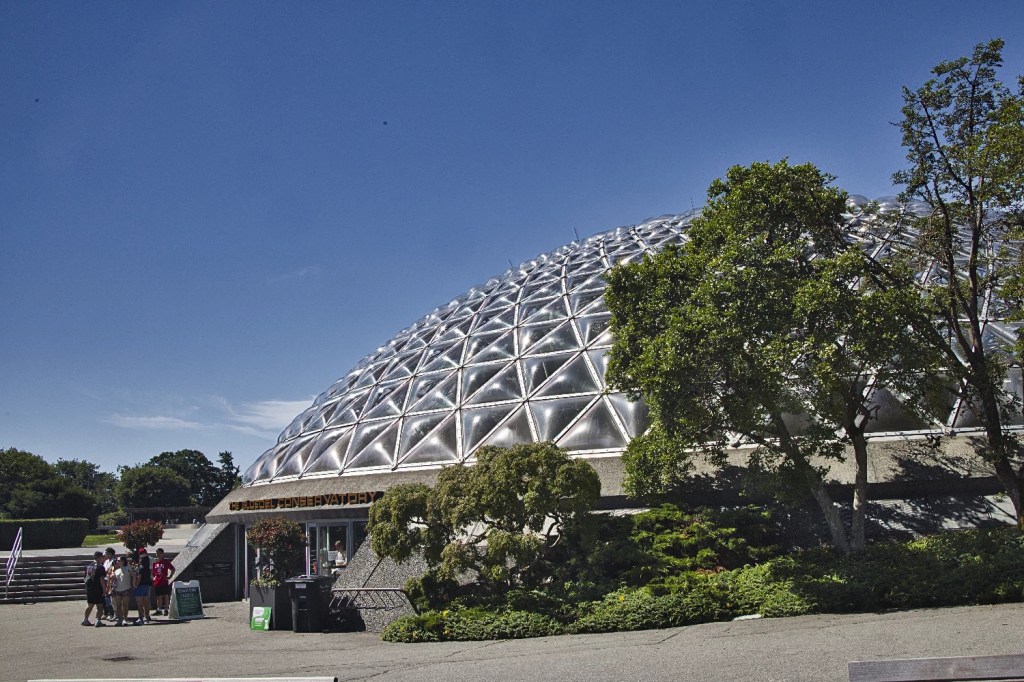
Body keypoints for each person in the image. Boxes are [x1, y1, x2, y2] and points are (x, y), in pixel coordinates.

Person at [82, 551, 107, 627]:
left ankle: (85, 619)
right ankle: (98, 621)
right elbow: (101, 579)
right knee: (100, 606)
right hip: (98, 588)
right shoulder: (100, 567)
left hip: (90, 589)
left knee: (90, 605)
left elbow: (85, 578)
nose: (103, 559)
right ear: (99, 558)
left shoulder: (89, 566)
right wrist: (104, 590)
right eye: (102, 557)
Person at [110, 555, 136, 626]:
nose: (117, 562)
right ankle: (120, 619)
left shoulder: (128, 568)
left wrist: (133, 584)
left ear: (123, 561)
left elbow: (134, 575)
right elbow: (114, 580)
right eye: (117, 561)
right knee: (118, 605)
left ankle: (125, 619)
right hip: (118, 589)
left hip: (126, 588)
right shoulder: (117, 570)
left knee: (125, 605)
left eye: (119, 561)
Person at [151, 547, 175, 616]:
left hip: (164, 581)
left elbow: (173, 569)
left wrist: (169, 577)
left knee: (165, 595)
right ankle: (159, 609)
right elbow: (152, 572)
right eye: (157, 553)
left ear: (162, 554)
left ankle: (166, 609)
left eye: (159, 553)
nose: (157, 554)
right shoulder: (155, 563)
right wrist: (153, 577)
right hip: (157, 582)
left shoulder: (165, 562)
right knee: (158, 596)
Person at [133, 549, 153, 624]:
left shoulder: (141, 568)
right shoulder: (148, 568)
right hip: (147, 585)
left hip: (140, 586)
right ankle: (146, 618)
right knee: (146, 603)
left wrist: (136, 585)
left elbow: (139, 578)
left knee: (140, 604)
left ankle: (140, 618)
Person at [101, 547, 116, 621]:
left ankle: (113, 613)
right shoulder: (106, 561)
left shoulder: (114, 561)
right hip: (106, 581)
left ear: (110, 554)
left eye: (106, 553)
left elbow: (113, 571)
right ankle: (107, 613)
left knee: (111, 598)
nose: (105, 555)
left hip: (111, 581)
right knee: (106, 598)